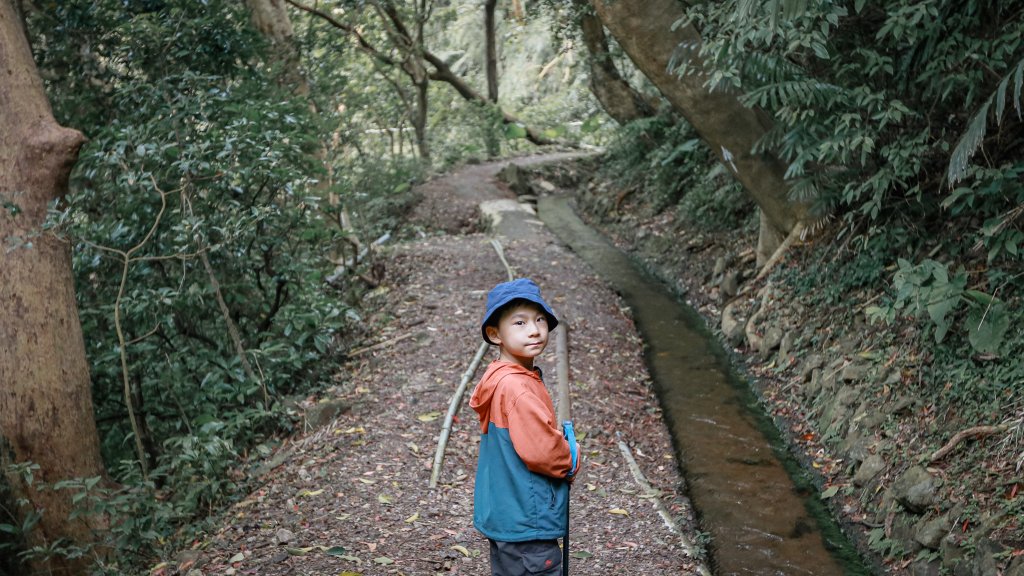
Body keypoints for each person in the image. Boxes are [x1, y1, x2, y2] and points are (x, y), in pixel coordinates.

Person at [470, 278, 579, 576]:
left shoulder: (500, 377)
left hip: (507, 512)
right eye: (519, 322)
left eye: (540, 319)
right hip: (527, 517)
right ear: (495, 334)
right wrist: (570, 456)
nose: (534, 330)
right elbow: (542, 451)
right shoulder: (517, 387)